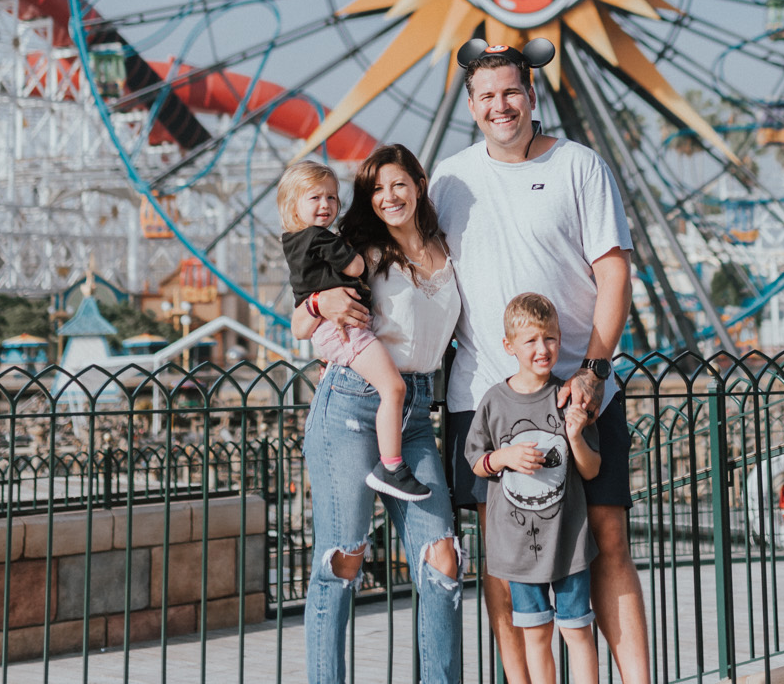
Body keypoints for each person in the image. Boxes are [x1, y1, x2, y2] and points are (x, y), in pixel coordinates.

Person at [430, 44, 651, 684]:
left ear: (531, 94)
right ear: (471, 106)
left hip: (579, 392)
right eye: (486, 96)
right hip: (486, 394)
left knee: (608, 541)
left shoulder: (580, 165)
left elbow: (614, 274)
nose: (500, 106)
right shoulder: (449, 179)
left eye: (511, 92)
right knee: (503, 560)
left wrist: (594, 369)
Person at [293, 144, 463, 684]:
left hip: (414, 412)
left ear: (419, 184)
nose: (389, 197)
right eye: (377, 190)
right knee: (345, 558)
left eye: (399, 184)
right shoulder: (359, 248)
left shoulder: (447, 246)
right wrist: (321, 305)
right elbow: (299, 320)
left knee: (443, 560)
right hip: (351, 403)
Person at [463, 293, 603, 684]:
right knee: (536, 635)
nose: (542, 349)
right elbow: (475, 460)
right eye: (531, 341)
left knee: (577, 631)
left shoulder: (571, 396)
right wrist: (504, 457)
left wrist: (575, 435)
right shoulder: (493, 401)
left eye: (551, 338)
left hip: (568, 542)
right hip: (517, 549)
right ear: (509, 346)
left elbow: (591, 470)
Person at [277, 160, 429, 501]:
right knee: (393, 387)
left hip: (335, 332)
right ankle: (391, 467)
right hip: (343, 330)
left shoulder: (294, 241)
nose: (326, 205)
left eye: (332, 198)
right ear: (293, 204)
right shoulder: (319, 238)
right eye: (315, 198)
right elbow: (356, 266)